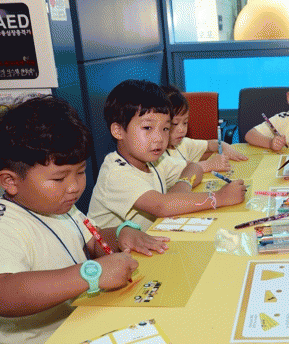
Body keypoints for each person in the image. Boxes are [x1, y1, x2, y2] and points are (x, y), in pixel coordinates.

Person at [0, 96, 166, 344]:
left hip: (76, 334)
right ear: (10, 181)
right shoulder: (0, 227)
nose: (74, 187)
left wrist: (121, 233)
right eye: (59, 178)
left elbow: (92, 240)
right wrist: (91, 274)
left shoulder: (62, 208)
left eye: (80, 172)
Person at [88, 80, 247, 232]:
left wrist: (181, 186)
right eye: (148, 128)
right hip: (118, 250)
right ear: (118, 131)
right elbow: (161, 206)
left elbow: (193, 168)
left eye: (165, 129)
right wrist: (219, 197)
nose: (159, 138)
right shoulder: (115, 172)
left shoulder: (155, 161)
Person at [163, 85, 248, 172]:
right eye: (175, 123)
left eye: (185, 122)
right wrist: (209, 164)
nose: (182, 130)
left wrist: (225, 147)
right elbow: (180, 169)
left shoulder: (182, 143)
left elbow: (210, 145)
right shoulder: (158, 157)